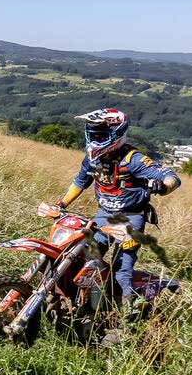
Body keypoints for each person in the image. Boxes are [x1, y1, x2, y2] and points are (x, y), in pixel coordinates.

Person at [46, 108, 180, 314]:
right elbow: (80, 182)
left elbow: (170, 176)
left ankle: (127, 320)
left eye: (100, 135)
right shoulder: (92, 159)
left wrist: (162, 186)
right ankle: (81, 306)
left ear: (117, 134)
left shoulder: (133, 159)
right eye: (92, 134)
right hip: (103, 215)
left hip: (131, 219)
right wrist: (60, 205)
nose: (95, 138)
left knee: (121, 270)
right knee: (80, 256)